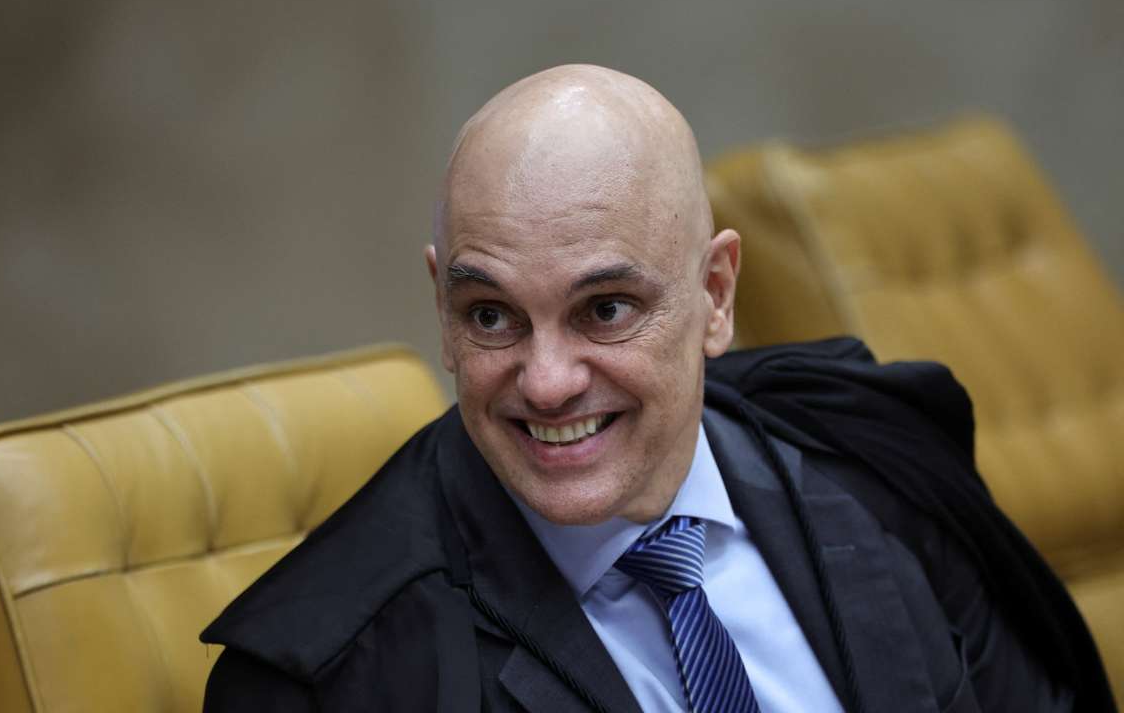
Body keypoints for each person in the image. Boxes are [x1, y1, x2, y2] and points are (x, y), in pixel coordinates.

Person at [200, 65, 1111, 712]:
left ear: (715, 295)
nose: (547, 383)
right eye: (490, 316)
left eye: (604, 310)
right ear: (441, 307)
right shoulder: (325, 681)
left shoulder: (875, 465)